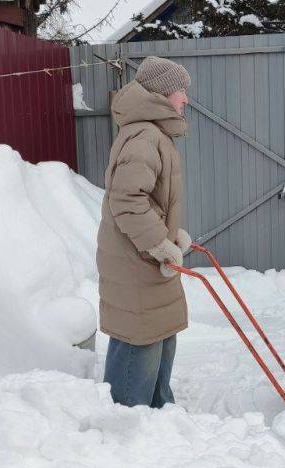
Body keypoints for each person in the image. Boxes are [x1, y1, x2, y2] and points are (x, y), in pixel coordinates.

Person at [97, 56, 192, 408]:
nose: (186, 99)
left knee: (161, 334)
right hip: (136, 260)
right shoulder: (144, 136)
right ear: (164, 93)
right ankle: (127, 419)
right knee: (141, 337)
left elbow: (146, 200)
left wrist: (170, 235)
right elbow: (127, 200)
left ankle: (159, 410)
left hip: (145, 258)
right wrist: (158, 243)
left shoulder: (154, 134)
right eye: (181, 90)